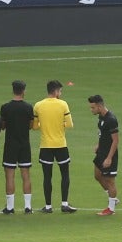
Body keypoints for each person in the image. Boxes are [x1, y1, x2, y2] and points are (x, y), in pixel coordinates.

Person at [33, 80, 76, 213]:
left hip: (45, 146)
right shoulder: (63, 104)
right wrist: (59, 125)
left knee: (47, 176)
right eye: (60, 91)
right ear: (56, 91)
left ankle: (48, 206)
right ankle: (64, 204)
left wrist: (44, 126)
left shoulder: (38, 106)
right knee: (65, 174)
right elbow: (69, 125)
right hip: (61, 145)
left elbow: (34, 126)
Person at [0, 80, 35, 214]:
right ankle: (28, 206)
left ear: (13, 90)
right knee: (25, 175)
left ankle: (10, 207)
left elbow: (2, 126)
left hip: (10, 145)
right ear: (23, 91)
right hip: (24, 144)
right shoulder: (28, 107)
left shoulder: (5, 107)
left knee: (10, 175)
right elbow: (31, 125)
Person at [88, 95, 120, 215]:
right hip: (101, 152)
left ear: (100, 106)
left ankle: (111, 208)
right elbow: (103, 134)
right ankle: (113, 198)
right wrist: (98, 144)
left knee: (110, 181)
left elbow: (115, 140)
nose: (91, 110)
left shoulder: (111, 119)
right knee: (97, 175)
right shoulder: (101, 117)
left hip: (109, 154)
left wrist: (109, 158)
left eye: (93, 107)